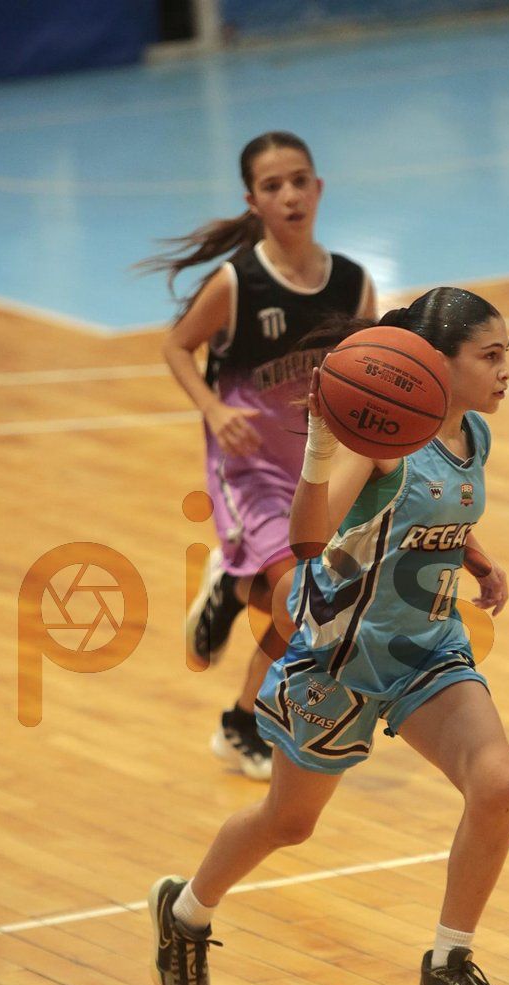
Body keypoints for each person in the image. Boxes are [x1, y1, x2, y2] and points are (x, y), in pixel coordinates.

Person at [149, 288, 509, 985]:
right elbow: (310, 537)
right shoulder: (381, 443)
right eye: (490, 355)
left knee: (497, 784)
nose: (506, 369)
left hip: (426, 651)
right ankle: (186, 910)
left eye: (506, 353)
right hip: (337, 660)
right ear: (436, 365)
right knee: (288, 823)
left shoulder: (473, 434)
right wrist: (322, 447)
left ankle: (448, 961)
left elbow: (439, 511)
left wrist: (475, 557)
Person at [140, 130, 376, 779]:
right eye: (273, 186)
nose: (290, 195)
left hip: (315, 467)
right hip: (249, 469)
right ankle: (241, 724)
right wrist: (214, 410)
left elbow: (365, 371)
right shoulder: (237, 282)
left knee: (306, 599)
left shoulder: (352, 282)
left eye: (299, 181)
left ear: (318, 188)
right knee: (301, 594)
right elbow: (175, 346)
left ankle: (235, 584)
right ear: (253, 201)